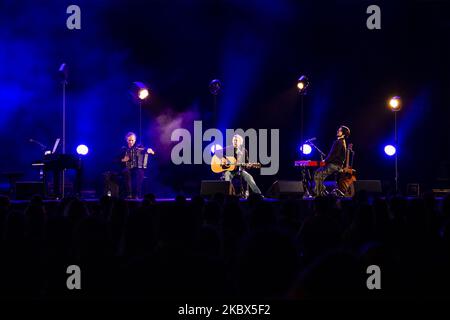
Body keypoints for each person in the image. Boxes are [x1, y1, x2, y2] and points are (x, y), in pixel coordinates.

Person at [313, 125, 350, 197]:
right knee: (317, 173)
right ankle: (323, 192)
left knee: (318, 175)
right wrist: (326, 161)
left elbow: (335, 155)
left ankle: (319, 194)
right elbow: (333, 154)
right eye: (338, 130)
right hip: (333, 164)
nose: (338, 131)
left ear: (343, 133)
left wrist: (325, 161)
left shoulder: (340, 142)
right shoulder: (340, 141)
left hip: (335, 165)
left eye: (339, 130)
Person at [120, 132, 155, 199]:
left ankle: (137, 195)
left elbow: (145, 149)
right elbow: (116, 159)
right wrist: (123, 160)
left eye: (132, 140)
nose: (131, 142)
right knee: (126, 172)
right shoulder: (123, 148)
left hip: (137, 168)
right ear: (126, 140)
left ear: (135, 140)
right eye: (129, 140)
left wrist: (149, 150)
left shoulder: (139, 147)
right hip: (128, 168)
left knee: (139, 173)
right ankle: (129, 194)